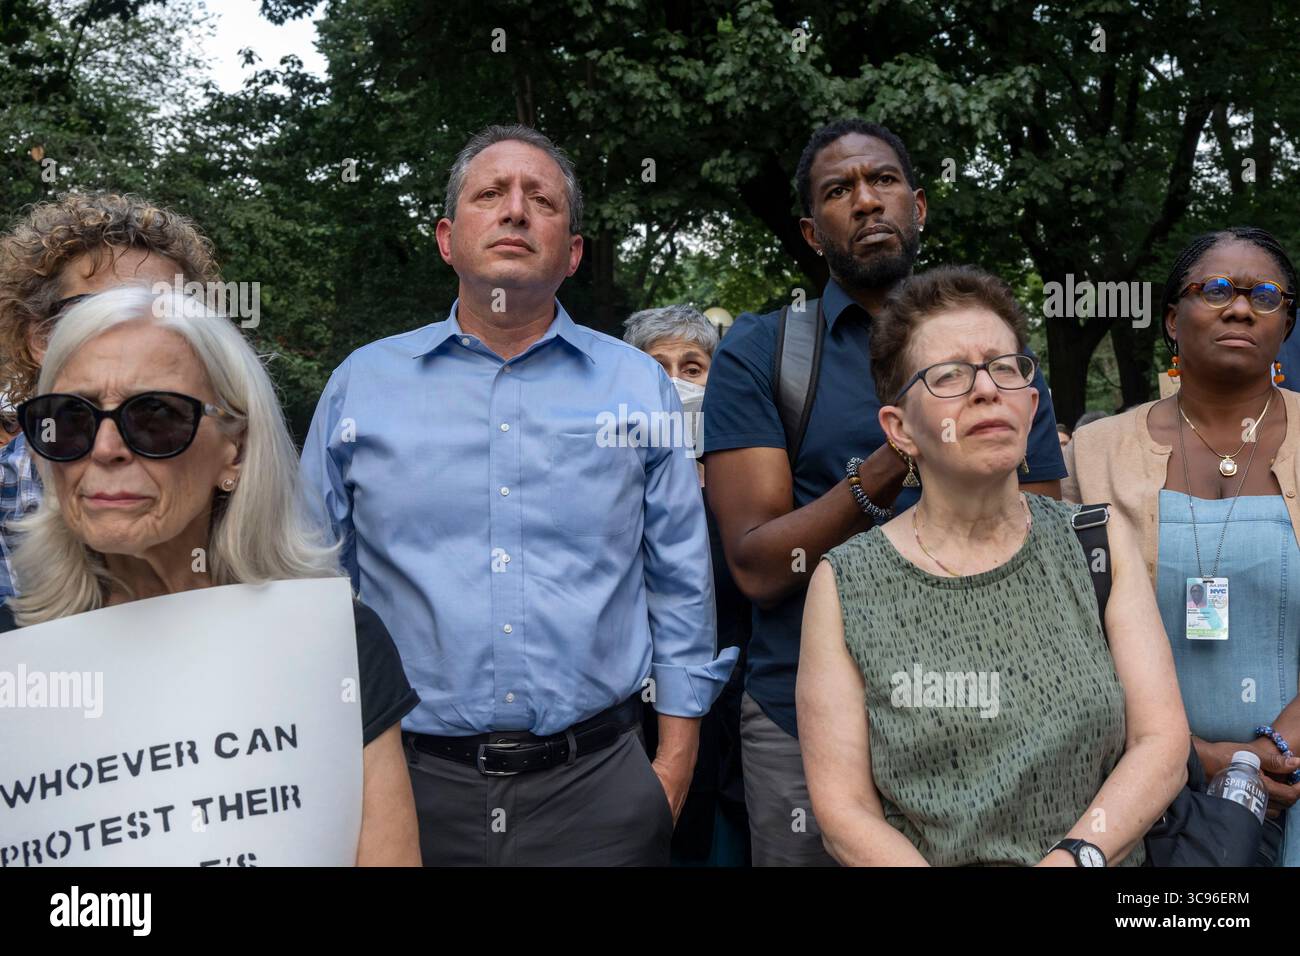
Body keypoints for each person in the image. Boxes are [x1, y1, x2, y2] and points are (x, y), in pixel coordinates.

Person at [301, 124, 737, 866]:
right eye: (489, 195)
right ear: (447, 238)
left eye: (541, 199)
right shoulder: (362, 385)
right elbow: (311, 581)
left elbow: (680, 578)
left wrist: (672, 763)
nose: (514, 211)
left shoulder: (636, 385)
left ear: (571, 253)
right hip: (404, 787)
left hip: (600, 789)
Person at [701, 118, 1068, 866]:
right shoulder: (763, 353)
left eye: (884, 181)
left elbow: (1048, 548)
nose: (866, 201)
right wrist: (896, 455)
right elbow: (760, 567)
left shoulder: (997, 358)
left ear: (920, 206)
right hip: (802, 720)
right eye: (840, 191)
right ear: (811, 229)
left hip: (993, 705)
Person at [0, 286, 420, 865]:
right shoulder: (11, 658)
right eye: (69, 418)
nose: (104, 448)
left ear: (236, 451)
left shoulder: (338, 645)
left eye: (155, 417)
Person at [798, 265, 1189, 866]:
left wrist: (1074, 858)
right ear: (899, 429)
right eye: (950, 375)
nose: (986, 390)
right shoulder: (845, 584)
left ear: (1031, 405)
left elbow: (1160, 744)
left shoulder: (1096, 544)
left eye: (1005, 367)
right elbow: (844, 812)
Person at [1064, 227, 1300, 866]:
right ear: (1172, 318)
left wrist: (1275, 748)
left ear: (1285, 324)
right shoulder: (1094, 453)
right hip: (1142, 784)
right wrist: (1191, 756)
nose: (1241, 307)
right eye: (1216, 289)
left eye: (1266, 296)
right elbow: (1067, 633)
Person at [0, 192, 218, 601]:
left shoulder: (243, 480)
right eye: (96, 311)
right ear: (40, 338)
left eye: (166, 309)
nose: (135, 328)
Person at [623, 304, 751, 865]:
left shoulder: (745, 470)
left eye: (692, 366)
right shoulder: (608, 461)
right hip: (633, 700)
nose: (675, 380)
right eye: (657, 366)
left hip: (732, 689)